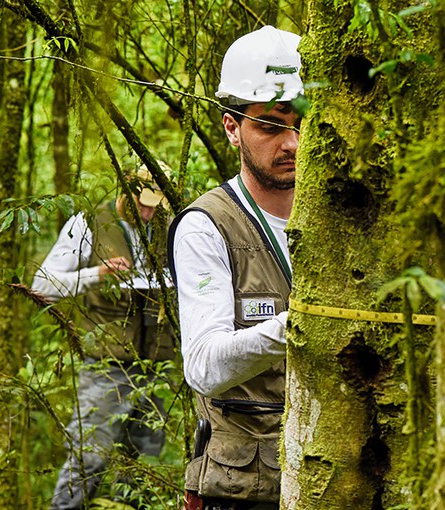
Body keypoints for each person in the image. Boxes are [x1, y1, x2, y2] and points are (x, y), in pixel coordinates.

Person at [168, 25, 303, 510]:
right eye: (270, 126)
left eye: (302, 124)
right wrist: (298, 326)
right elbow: (204, 365)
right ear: (232, 126)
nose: (290, 144)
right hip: (245, 487)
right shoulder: (207, 226)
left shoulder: (344, 221)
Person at [32, 164, 175, 509]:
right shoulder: (89, 223)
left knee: (143, 460)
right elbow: (42, 285)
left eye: (156, 205)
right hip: (106, 364)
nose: (148, 212)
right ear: (125, 189)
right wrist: (97, 273)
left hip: (157, 362)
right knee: (89, 456)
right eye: (142, 203)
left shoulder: (169, 226)